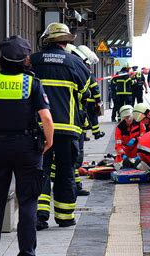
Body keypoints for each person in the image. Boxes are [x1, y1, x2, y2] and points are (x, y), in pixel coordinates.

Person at [0, 35, 54, 256]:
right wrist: (48, 140)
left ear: (2, 59)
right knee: (27, 202)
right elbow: (46, 118)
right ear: (26, 59)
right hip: (27, 148)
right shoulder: (32, 83)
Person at [31, 23, 91, 230]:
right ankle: (65, 217)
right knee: (66, 172)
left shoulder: (34, 61)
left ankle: (40, 216)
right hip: (68, 129)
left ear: (46, 40)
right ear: (66, 41)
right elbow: (86, 93)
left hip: (39, 128)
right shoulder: (75, 62)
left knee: (41, 170)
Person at [78, 45, 105, 140]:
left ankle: (83, 135)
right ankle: (96, 133)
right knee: (93, 117)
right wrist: (99, 100)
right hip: (90, 100)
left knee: (84, 117)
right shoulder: (88, 73)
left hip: (81, 100)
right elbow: (95, 88)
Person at [114, 105, 146, 170]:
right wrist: (123, 155)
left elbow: (144, 139)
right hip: (125, 152)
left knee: (143, 166)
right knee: (118, 166)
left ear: (132, 115)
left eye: (129, 117)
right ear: (123, 118)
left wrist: (136, 139)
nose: (128, 119)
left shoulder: (139, 124)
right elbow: (118, 145)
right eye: (126, 118)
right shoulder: (119, 128)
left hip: (137, 151)